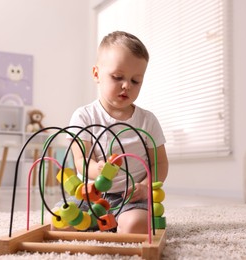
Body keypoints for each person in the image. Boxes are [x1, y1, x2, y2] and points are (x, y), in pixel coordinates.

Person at [48, 31, 169, 234]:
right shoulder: (84, 116)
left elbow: (160, 162)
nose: (126, 85)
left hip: (130, 198)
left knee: (135, 226)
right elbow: (81, 161)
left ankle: (117, 223)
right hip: (90, 195)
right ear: (96, 74)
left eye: (135, 81)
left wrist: (146, 186)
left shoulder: (147, 120)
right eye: (117, 77)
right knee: (60, 222)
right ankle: (97, 221)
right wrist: (98, 170)